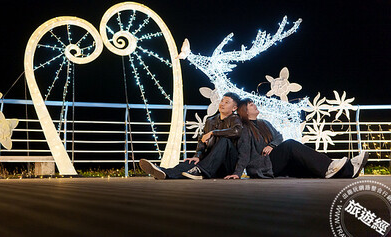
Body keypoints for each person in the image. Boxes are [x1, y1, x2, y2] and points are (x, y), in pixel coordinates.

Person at [224, 98, 369, 180]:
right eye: (251, 105)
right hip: (263, 167)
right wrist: (237, 173)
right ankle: (331, 165)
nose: (255, 105)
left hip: (275, 162)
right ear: (245, 111)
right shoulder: (245, 128)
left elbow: (279, 137)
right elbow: (244, 153)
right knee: (290, 145)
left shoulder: (264, 123)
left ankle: (349, 169)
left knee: (305, 168)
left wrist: (273, 146)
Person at [139, 92, 243, 180]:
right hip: (209, 162)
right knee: (189, 163)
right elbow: (201, 140)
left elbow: (236, 131)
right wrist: (197, 156)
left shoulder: (235, 119)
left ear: (234, 108)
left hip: (226, 164)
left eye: (227, 102)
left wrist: (213, 133)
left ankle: (200, 170)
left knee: (225, 141)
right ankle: (164, 172)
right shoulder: (210, 121)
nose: (222, 104)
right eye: (222, 101)